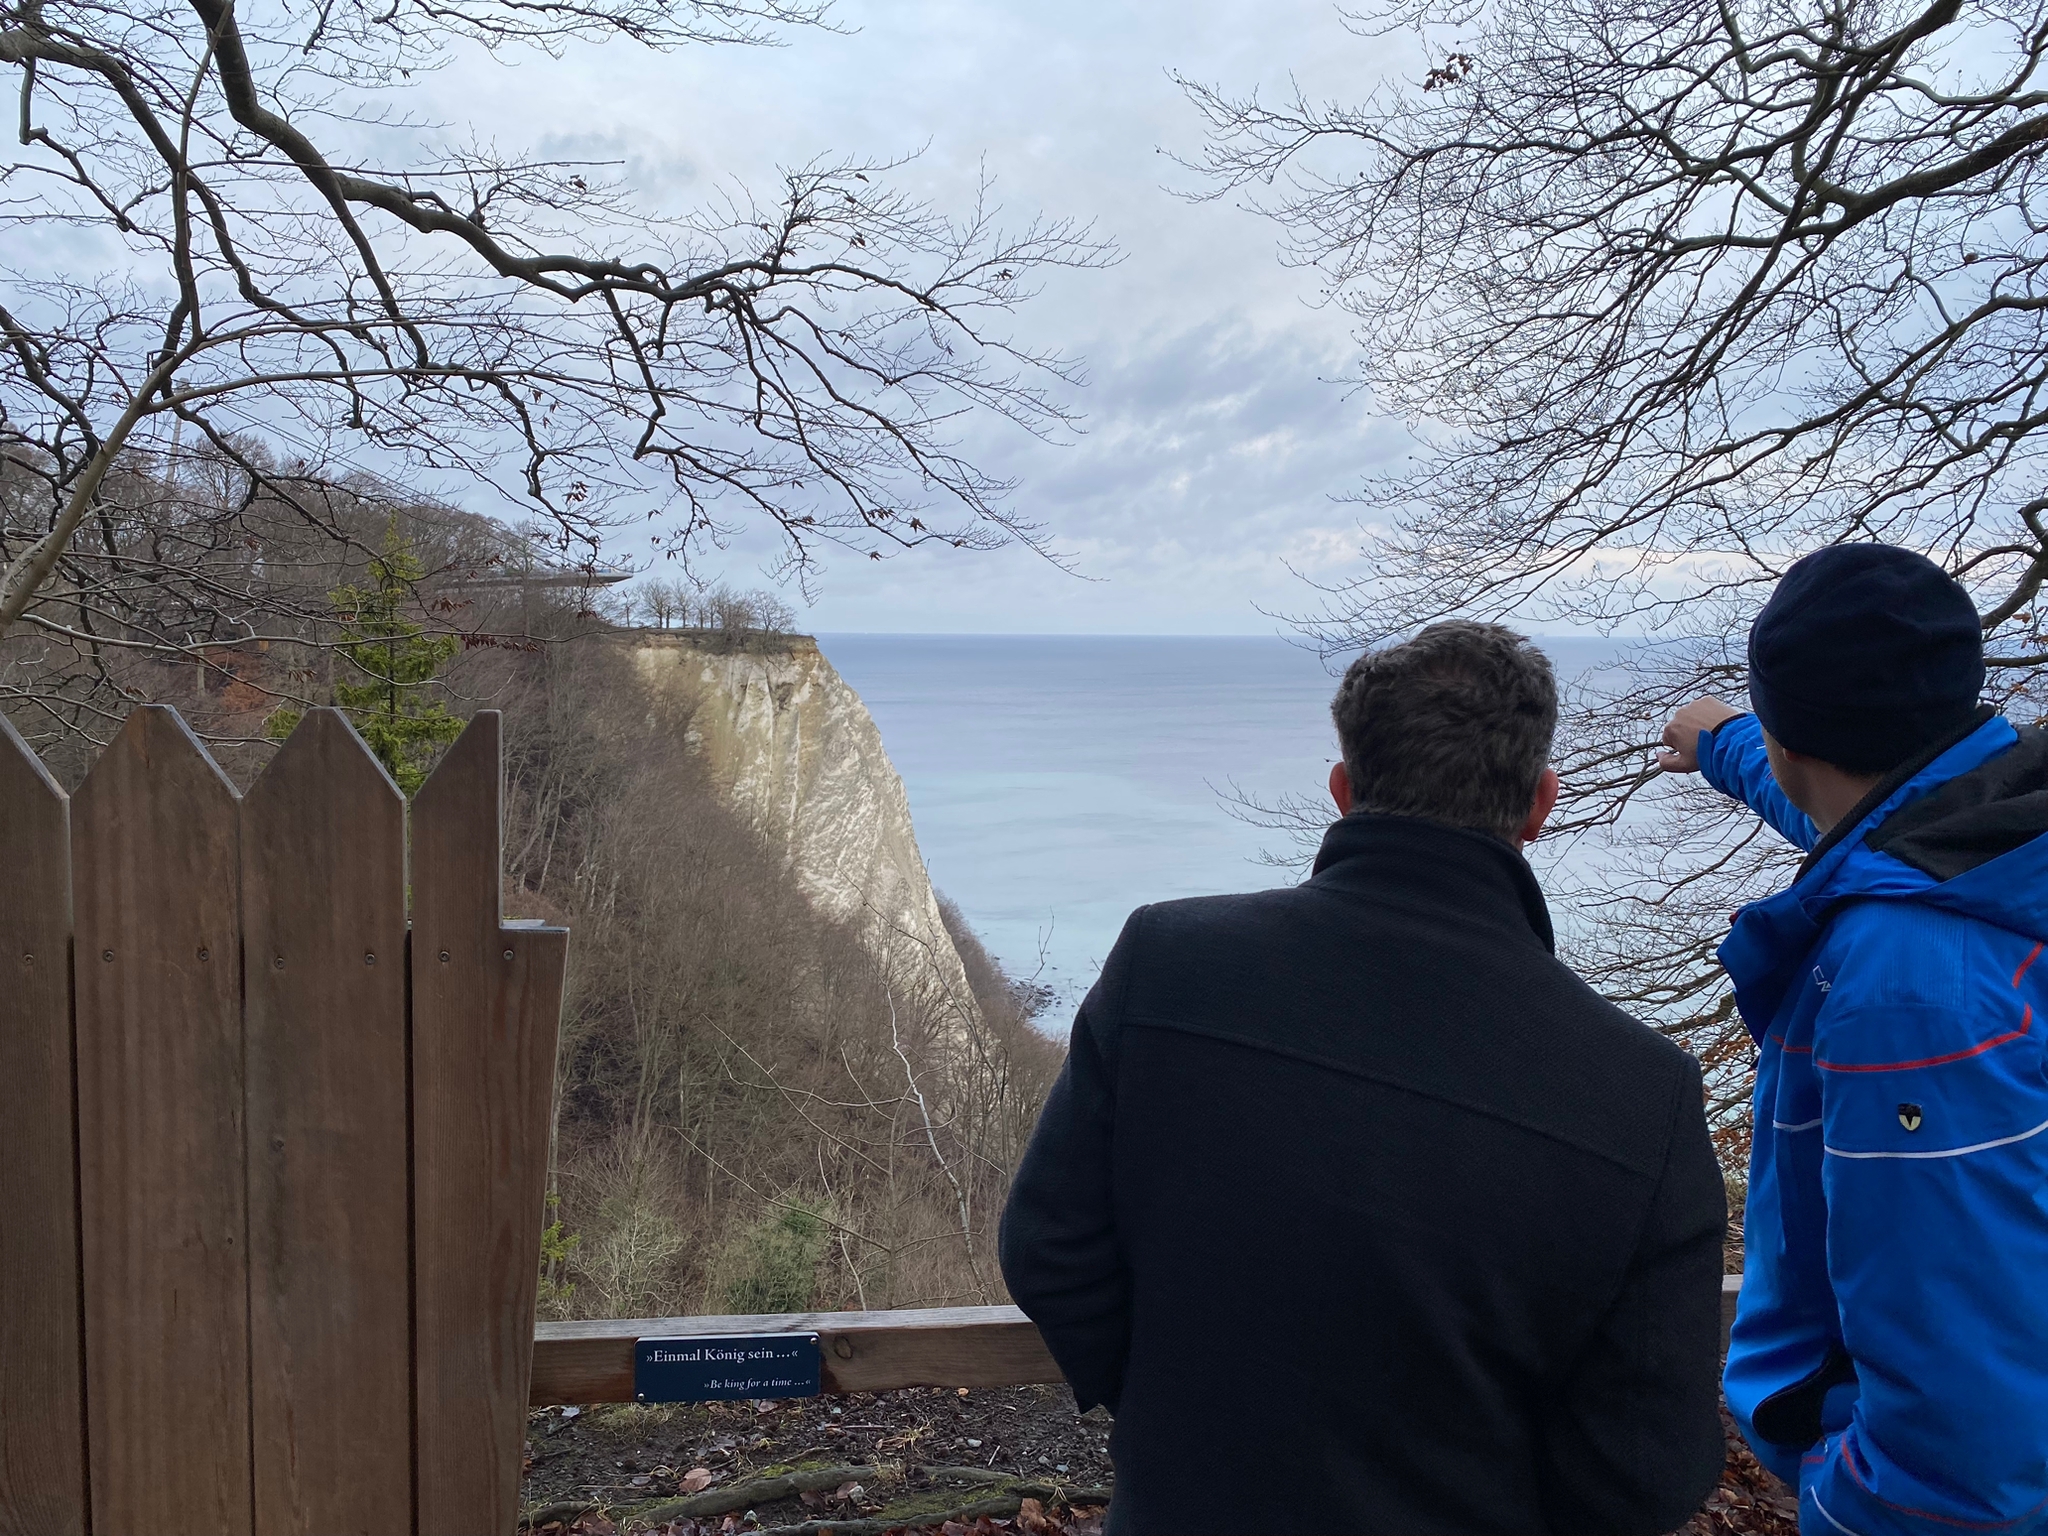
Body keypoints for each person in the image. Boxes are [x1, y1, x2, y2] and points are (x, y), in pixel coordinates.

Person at [1001, 620, 1726, 1536]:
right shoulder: (1640, 1091)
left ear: (1344, 791)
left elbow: (1048, 1248)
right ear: (1539, 805)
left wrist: (1168, 1413)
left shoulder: (1168, 964)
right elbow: (1651, 1464)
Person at [1657, 544, 2048, 1536]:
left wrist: (1841, 1501)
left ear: (1794, 737)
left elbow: (1959, 1429)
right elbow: (1863, 828)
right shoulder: (1997, 832)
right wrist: (1726, 745)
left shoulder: (1910, 991)